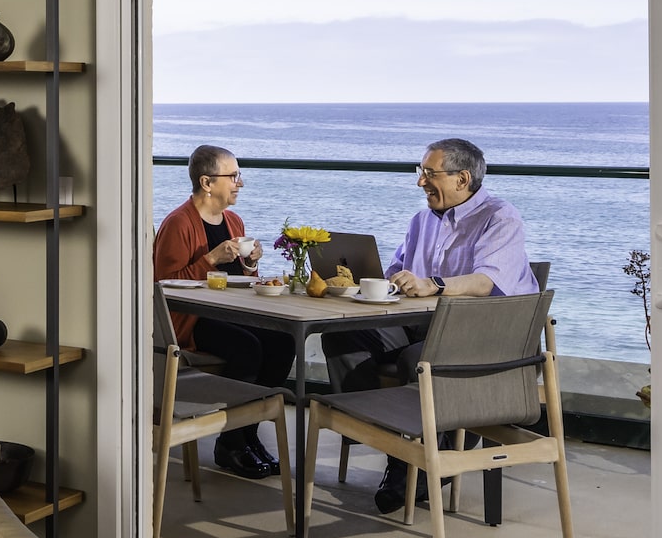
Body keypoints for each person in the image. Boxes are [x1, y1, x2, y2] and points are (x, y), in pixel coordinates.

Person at [323, 136, 539, 514]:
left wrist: (432, 285)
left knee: (418, 359)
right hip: (424, 326)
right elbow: (393, 273)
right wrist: (366, 282)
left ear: (462, 178)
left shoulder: (499, 217)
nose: (420, 182)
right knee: (342, 336)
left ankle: (415, 465)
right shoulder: (421, 221)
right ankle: (390, 441)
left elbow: (487, 282)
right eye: (420, 172)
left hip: (485, 336)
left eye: (428, 173)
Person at [153, 144, 295, 481]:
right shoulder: (178, 223)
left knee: (283, 342)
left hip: (227, 314)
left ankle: (248, 435)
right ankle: (230, 443)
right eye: (233, 176)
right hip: (189, 321)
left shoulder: (234, 220)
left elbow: (237, 281)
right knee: (247, 349)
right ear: (207, 182)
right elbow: (164, 287)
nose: (239, 183)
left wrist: (251, 264)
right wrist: (211, 259)